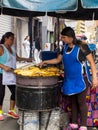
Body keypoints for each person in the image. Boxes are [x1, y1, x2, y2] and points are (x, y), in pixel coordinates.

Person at [39, 27, 98, 130]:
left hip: (82, 79)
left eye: (64, 37)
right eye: (62, 37)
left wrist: (95, 79)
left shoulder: (82, 47)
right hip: (70, 79)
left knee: (81, 101)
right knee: (73, 100)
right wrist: (45, 62)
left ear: (71, 37)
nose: (62, 39)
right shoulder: (65, 47)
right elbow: (58, 60)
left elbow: (92, 63)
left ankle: (83, 125)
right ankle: (74, 123)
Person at [0, 32, 32, 121]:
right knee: (1, 93)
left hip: (11, 73)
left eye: (13, 39)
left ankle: (11, 110)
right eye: (11, 39)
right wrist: (4, 67)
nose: (13, 41)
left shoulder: (12, 48)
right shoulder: (1, 47)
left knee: (15, 91)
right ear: (6, 38)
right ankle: (0, 112)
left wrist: (28, 59)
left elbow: (17, 58)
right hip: (1, 73)